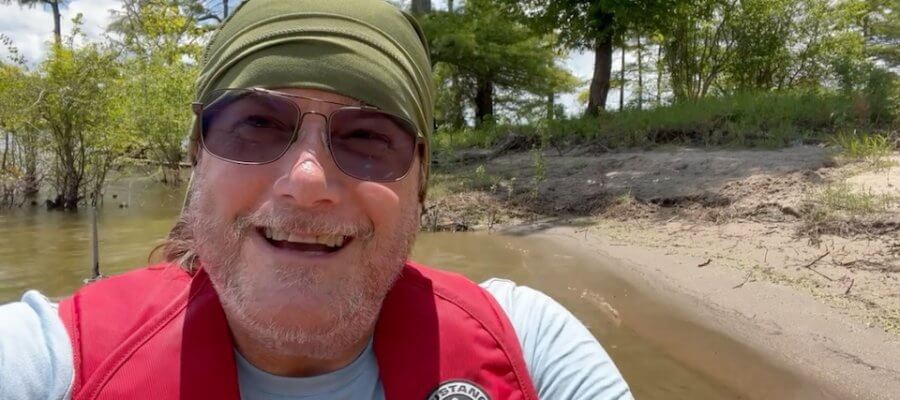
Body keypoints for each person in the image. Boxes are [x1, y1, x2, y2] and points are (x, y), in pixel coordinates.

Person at [0, 1, 633, 399]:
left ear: (420, 182)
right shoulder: (53, 362)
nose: (305, 180)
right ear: (198, 159)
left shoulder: (530, 346)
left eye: (366, 138)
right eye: (256, 125)